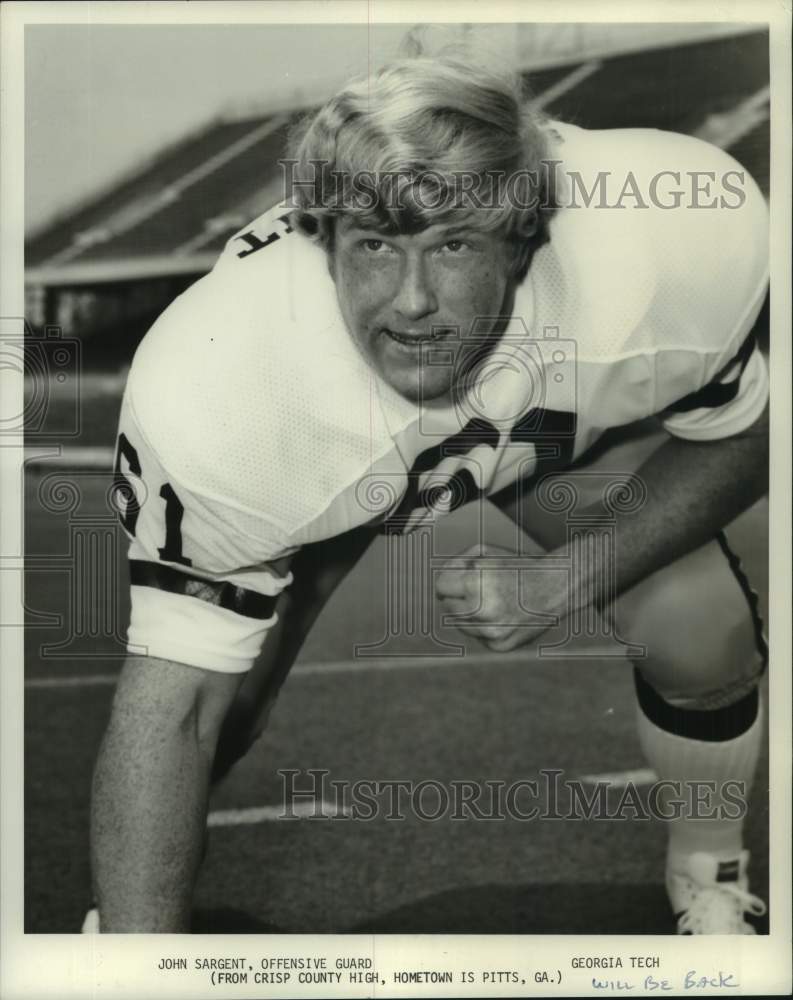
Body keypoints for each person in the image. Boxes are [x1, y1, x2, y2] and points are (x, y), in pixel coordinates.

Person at [88, 50, 769, 934]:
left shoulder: (664, 250)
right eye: (374, 245)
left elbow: (748, 433)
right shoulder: (228, 388)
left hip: (542, 432)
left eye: (453, 244)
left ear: (524, 238)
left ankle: (710, 874)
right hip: (324, 461)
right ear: (322, 235)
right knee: (223, 709)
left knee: (697, 633)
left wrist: (568, 576)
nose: (409, 302)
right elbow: (172, 710)